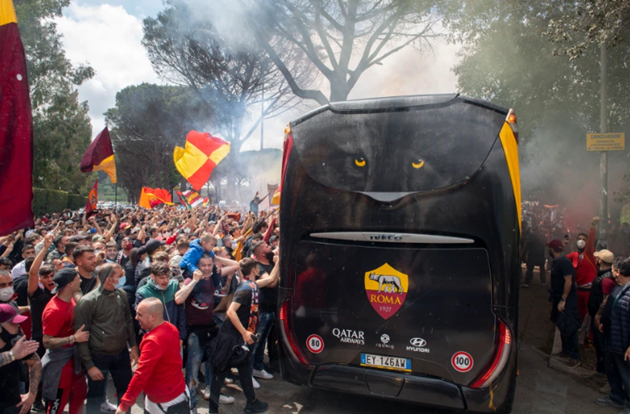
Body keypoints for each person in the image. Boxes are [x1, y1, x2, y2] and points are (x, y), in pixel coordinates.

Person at [208, 257, 279, 414]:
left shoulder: (252, 285)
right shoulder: (245, 289)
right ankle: (213, 410)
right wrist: (245, 332)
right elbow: (231, 311)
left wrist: (278, 260)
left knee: (245, 369)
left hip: (241, 337)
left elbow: (272, 279)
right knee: (220, 371)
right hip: (231, 336)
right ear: (254, 269)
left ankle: (252, 403)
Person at [74, 263, 138, 414]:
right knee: (95, 397)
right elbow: (81, 336)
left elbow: (128, 321)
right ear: (109, 279)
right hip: (99, 356)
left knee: (125, 393)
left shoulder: (121, 295)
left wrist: (134, 346)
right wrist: (89, 365)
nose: (123, 278)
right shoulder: (88, 301)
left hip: (121, 354)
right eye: (120, 276)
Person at [115, 298, 189, 414]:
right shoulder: (171, 328)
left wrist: (125, 405)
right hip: (179, 391)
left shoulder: (153, 341)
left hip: (163, 401)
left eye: (140, 315)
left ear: (153, 317)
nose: (136, 318)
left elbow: (141, 374)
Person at [41, 268, 89, 414]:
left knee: (79, 395)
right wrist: (73, 338)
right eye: (77, 278)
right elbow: (47, 341)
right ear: (69, 284)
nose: (80, 280)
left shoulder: (70, 298)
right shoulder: (54, 311)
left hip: (74, 361)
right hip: (60, 364)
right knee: (57, 403)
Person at [595, 258, 630, 413]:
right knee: (613, 370)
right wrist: (604, 321)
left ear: (621, 272)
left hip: (624, 342)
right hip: (613, 337)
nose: (614, 274)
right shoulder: (621, 287)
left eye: (616, 271)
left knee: (627, 375)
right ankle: (616, 396)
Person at [0, 304, 42, 414]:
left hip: (13, 405)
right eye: (12, 323)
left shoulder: (16, 342)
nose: (18, 325)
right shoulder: (15, 349)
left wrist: (32, 394)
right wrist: (12, 355)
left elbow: (35, 362)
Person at [548, 239, 581, 368]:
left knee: (569, 326)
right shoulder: (557, 261)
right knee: (561, 324)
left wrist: (563, 299)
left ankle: (574, 356)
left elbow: (568, 282)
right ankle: (565, 351)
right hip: (558, 296)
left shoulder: (564, 263)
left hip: (567, 299)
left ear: (551, 250)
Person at [135, 262, 186, 343]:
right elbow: (142, 320)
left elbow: (181, 313)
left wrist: (181, 337)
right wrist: (153, 339)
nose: (165, 281)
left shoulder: (174, 286)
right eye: (161, 278)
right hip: (156, 340)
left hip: (175, 337)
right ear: (152, 277)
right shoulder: (143, 293)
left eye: (167, 277)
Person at [251, 241, 278, 381]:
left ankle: (259, 365)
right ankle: (255, 368)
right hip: (262, 311)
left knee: (264, 341)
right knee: (259, 341)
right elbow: (271, 282)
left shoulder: (270, 263)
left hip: (271, 309)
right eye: (267, 247)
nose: (270, 248)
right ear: (262, 253)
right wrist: (279, 262)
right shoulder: (259, 267)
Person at [588, 249, 616, 379]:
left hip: (600, 320)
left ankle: (603, 372)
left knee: (602, 346)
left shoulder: (606, 280)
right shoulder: (604, 276)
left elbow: (606, 302)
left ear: (600, 260)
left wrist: (600, 318)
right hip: (596, 316)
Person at [566, 217, 599, 321]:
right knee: (580, 312)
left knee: (589, 313)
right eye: (579, 239)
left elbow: (591, 240)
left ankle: (589, 335)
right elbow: (562, 260)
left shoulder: (589, 253)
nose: (581, 241)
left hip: (589, 290)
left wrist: (592, 227)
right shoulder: (574, 255)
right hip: (578, 289)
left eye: (584, 240)